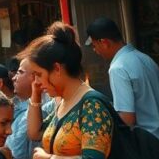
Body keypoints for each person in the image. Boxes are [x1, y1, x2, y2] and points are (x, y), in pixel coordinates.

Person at [23, 22, 114, 159]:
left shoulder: (92, 105)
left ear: (57, 69)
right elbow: (35, 133)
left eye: (39, 74)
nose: (36, 81)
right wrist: (36, 95)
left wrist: (49, 158)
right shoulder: (64, 102)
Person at [85, 17, 159, 157]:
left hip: (145, 146)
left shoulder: (118, 68)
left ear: (104, 42)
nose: (95, 51)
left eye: (95, 46)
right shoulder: (145, 58)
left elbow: (127, 118)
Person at [3, 58, 40, 159]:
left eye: (20, 72)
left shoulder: (46, 108)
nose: (14, 78)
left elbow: (16, 152)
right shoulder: (16, 103)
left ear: (35, 77)